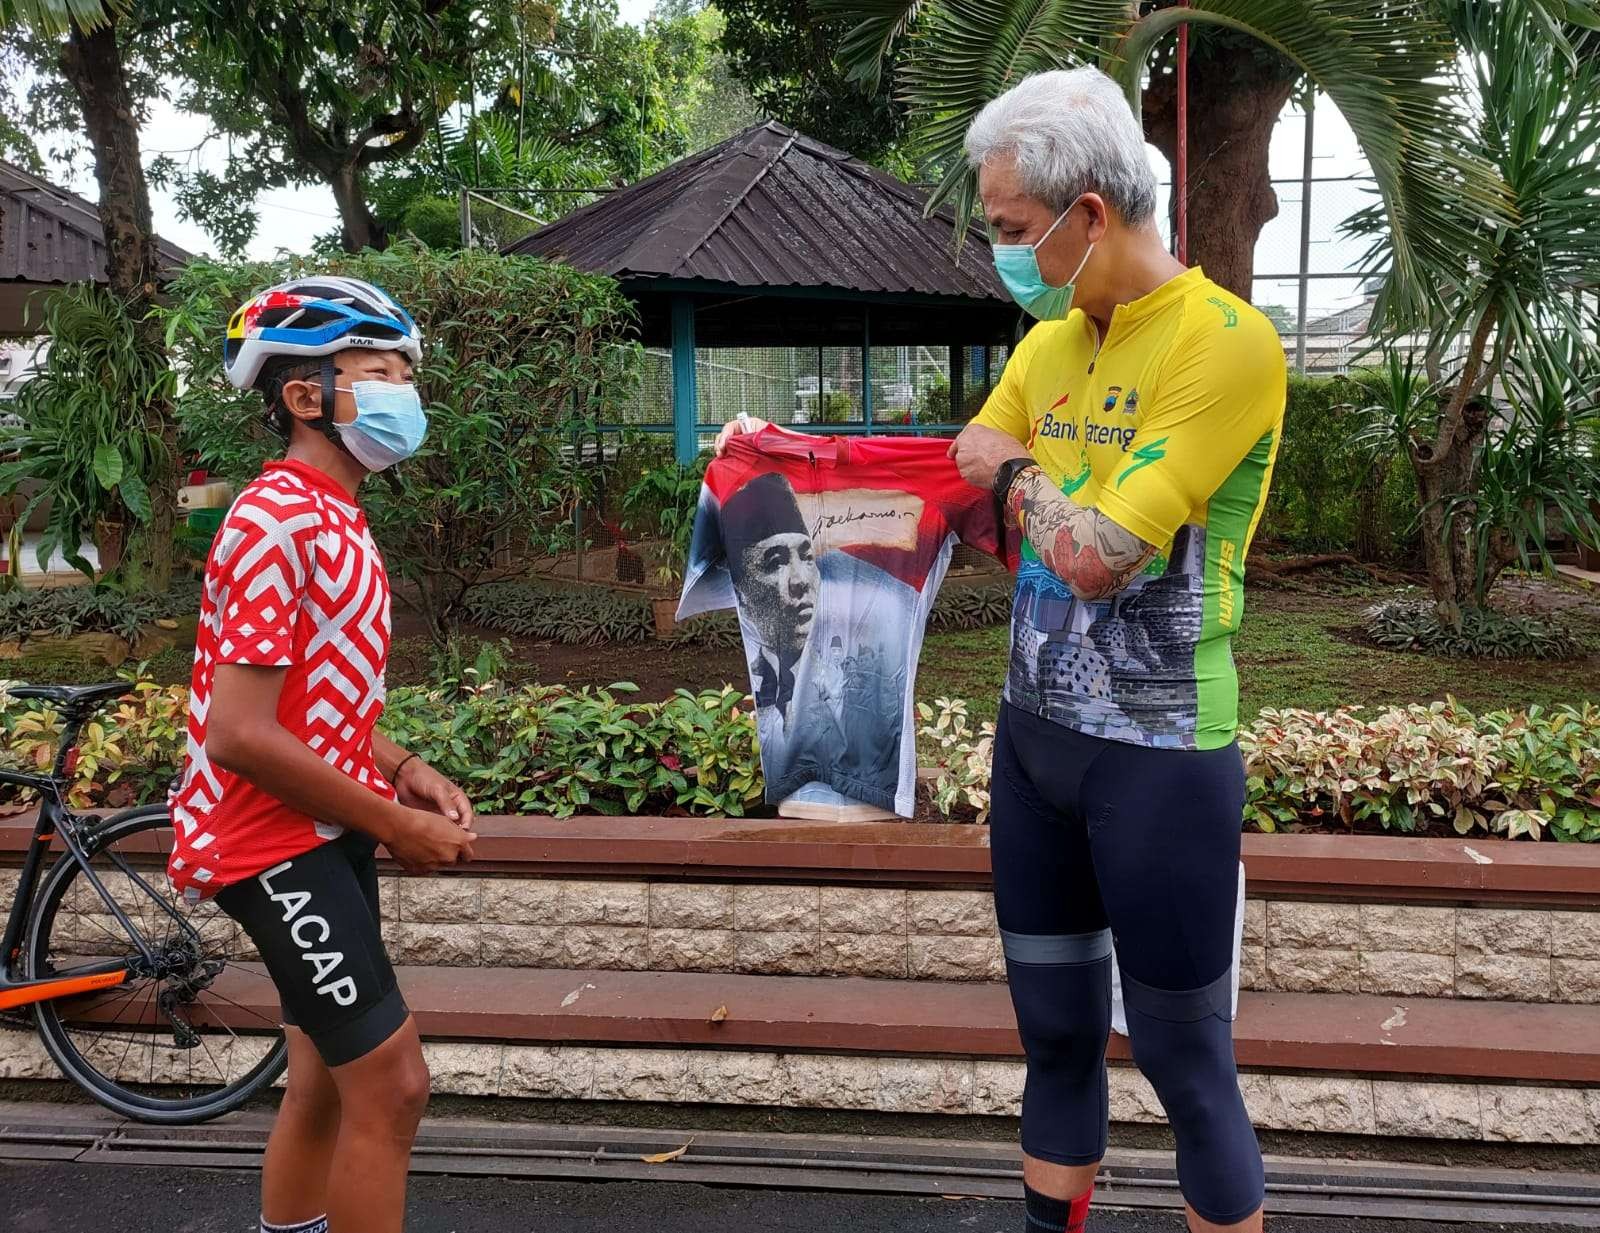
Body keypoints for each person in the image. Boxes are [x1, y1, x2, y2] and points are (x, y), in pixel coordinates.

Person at [719, 65, 1285, 1233]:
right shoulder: (1049, 341)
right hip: (1036, 750)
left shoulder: (1223, 344)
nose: (1002, 254)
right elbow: (969, 502)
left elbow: (1091, 552)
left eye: (1013, 230)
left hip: (1160, 755)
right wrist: (793, 463)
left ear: (1088, 215)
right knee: (1057, 1042)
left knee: (1186, 1068)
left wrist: (1022, 472)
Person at [167, 276, 478, 1233]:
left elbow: (307, 701)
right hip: (270, 839)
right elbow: (239, 731)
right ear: (307, 397)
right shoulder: (275, 522)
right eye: (378, 374)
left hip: (325, 822)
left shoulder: (333, 514)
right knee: (394, 1088)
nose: (402, 395)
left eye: (403, 376)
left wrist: (399, 765)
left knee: (329, 1085)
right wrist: (396, 824)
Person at [723, 471, 821, 718]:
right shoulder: (744, 688)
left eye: (807, 558)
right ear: (742, 591)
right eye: (777, 563)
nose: (800, 581)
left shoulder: (851, 676)